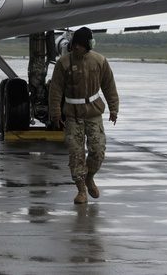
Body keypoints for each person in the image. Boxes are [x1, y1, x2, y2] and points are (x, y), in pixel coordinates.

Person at [48, 27, 119, 205]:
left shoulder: (99, 61)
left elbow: (109, 86)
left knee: (98, 150)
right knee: (76, 153)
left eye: (81, 44)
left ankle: (90, 177)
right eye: (75, 44)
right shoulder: (63, 63)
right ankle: (81, 190)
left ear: (88, 45)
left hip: (93, 113)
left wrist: (113, 108)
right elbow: (55, 90)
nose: (77, 48)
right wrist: (55, 112)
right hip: (72, 115)